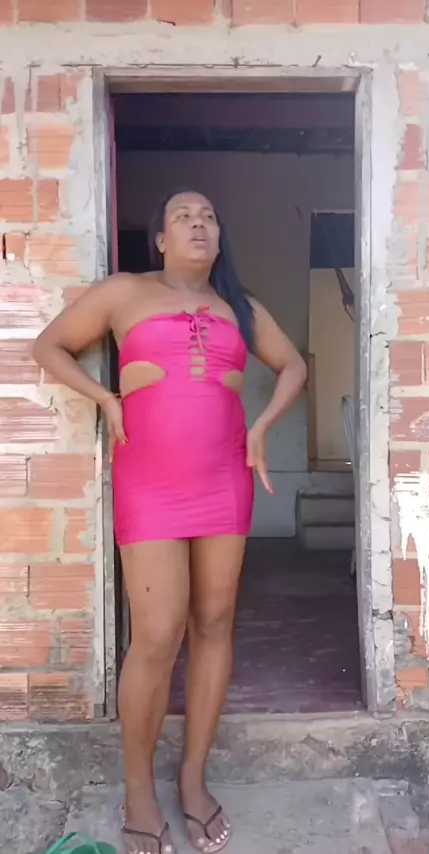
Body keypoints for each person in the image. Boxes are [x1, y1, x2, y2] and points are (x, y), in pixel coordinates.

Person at [33, 189, 307, 854]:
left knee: (214, 622)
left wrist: (262, 427)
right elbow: (49, 347)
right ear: (160, 237)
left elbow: (294, 364)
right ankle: (138, 789)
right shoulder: (124, 292)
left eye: (209, 215)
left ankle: (191, 778)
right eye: (183, 215)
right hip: (150, 483)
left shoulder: (240, 307)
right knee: (157, 633)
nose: (198, 223)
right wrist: (105, 399)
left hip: (225, 482)